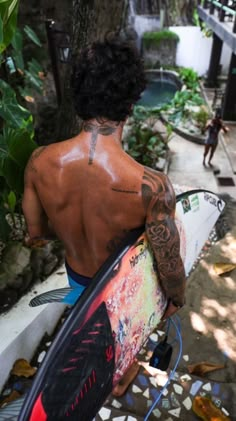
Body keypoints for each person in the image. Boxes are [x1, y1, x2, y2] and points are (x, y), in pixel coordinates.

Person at [22, 36, 186, 396]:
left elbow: (37, 234)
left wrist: (73, 221)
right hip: (121, 290)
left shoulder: (38, 163)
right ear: (131, 102)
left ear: (78, 97)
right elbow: (169, 264)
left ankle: (90, 370)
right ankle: (118, 378)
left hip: (79, 280)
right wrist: (176, 297)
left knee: (87, 328)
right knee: (119, 334)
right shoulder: (152, 186)